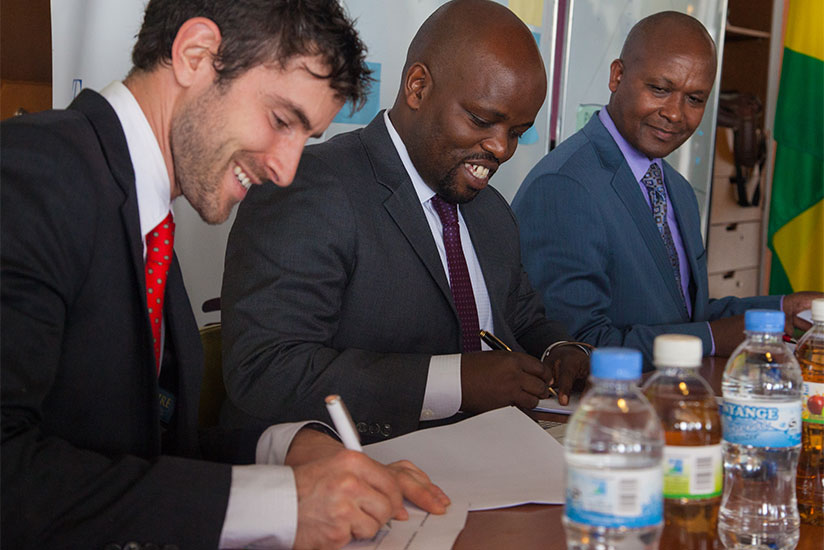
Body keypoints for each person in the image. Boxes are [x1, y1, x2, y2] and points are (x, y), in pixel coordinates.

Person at [0, 1, 449, 548]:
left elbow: (141, 457)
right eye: (282, 121)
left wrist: (290, 451)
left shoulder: (140, 211)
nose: (285, 170)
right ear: (196, 55)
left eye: (303, 140)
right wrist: (286, 504)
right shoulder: (29, 174)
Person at [220, 0, 590, 446]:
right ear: (417, 87)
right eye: (481, 120)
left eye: (516, 131)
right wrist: (456, 383)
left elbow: (520, 312)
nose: (501, 149)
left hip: (500, 452)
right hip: (362, 471)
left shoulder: (491, 209)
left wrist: (559, 349)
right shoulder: (311, 186)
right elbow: (268, 370)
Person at [511, 11, 821, 369]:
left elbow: (687, 316)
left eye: (694, 99)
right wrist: (712, 339)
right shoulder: (565, 187)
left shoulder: (677, 189)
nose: (675, 114)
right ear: (617, 76)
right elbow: (577, 347)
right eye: (660, 89)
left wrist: (784, 309)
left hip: (675, 399)